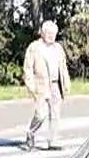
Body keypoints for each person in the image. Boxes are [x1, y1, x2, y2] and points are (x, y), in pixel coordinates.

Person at [21, 20, 68, 151]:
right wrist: (30, 85)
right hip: (41, 85)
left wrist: (66, 82)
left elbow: (63, 66)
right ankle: (31, 133)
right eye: (48, 33)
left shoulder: (58, 48)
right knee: (40, 114)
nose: (50, 36)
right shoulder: (34, 47)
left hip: (56, 85)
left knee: (55, 114)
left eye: (53, 33)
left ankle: (53, 140)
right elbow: (28, 68)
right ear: (42, 33)